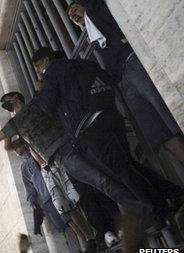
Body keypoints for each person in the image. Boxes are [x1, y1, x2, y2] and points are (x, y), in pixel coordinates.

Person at [0, 91, 153, 253]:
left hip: (67, 148)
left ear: (16, 97)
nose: (5, 104)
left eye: (7, 100)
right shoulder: (15, 123)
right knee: (97, 184)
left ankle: (142, 210)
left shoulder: (36, 104)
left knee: (101, 181)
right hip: (60, 156)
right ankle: (135, 214)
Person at [31, 47, 166, 209]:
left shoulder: (51, 74)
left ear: (46, 60)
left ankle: (160, 209)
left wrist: (40, 91)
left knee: (123, 171)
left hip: (89, 127)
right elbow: (109, 78)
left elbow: (46, 106)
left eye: (38, 66)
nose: (38, 71)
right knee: (128, 165)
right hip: (110, 116)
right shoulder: (81, 63)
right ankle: (172, 193)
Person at [67, 0, 184, 166]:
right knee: (158, 131)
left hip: (132, 62)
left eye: (74, 10)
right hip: (122, 78)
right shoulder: (92, 34)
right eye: (71, 17)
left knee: (171, 114)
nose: (73, 15)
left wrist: (87, 10)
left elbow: (107, 17)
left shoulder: (97, 10)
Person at [15, 140, 92, 253]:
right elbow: (29, 186)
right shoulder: (24, 167)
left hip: (55, 187)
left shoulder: (35, 152)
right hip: (45, 196)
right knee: (65, 224)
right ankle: (78, 249)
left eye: (17, 147)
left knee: (71, 216)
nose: (16, 151)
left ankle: (87, 241)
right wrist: (32, 201)